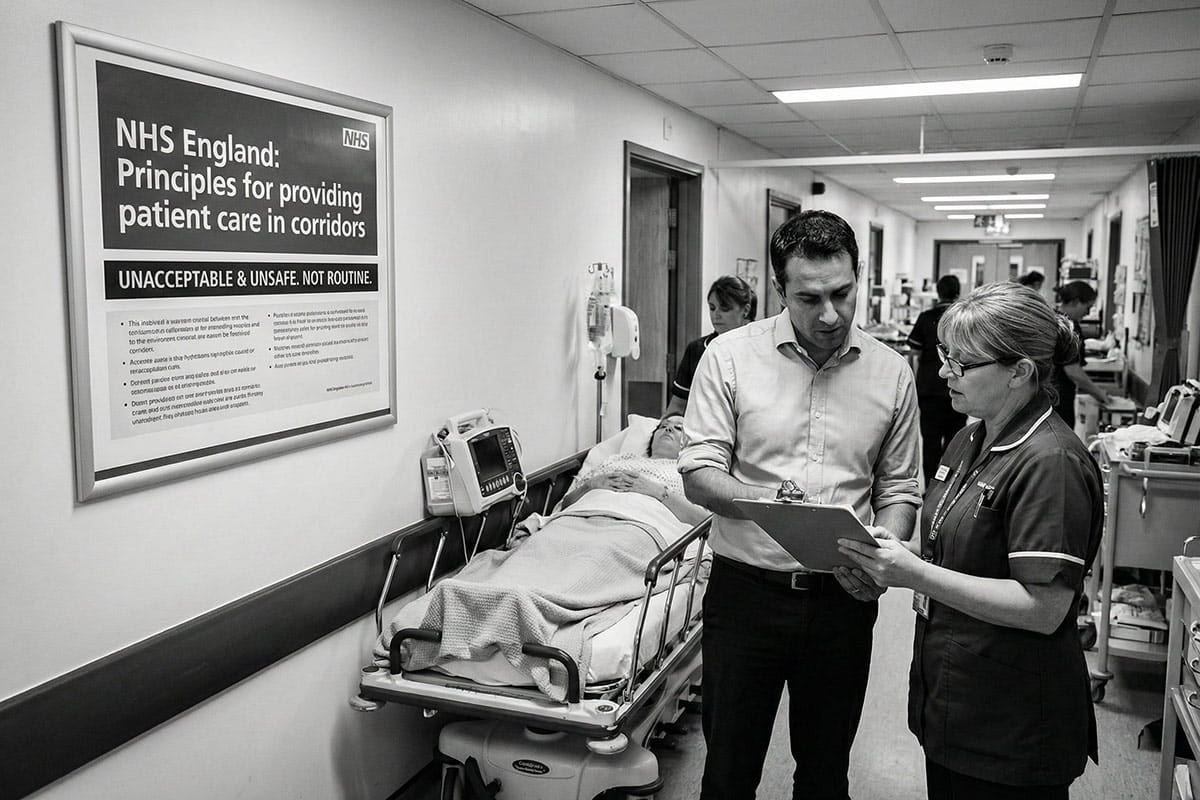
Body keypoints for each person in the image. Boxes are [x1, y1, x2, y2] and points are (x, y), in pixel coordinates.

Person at [678, 209, 921, 800]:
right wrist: (771, 502)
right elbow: (699, 476)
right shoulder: (729, 358)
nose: (830, 314)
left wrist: (882, 554)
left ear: (859, 277)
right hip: (745, 598)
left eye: (842, 293)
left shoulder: (892, 374)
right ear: (780, 290)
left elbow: (900, 487)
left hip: (842, 601)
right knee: (729, 771)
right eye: (809, 298)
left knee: (824, 771)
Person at [838, 281, 1103, 800]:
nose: (941, 374)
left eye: (961, 365)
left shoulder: (1051, 462)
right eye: (944, 357)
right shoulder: (971, 436)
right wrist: (882, 551)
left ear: (1019, 373)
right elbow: (956, 545)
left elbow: (1042, 606)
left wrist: (912, 574)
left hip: (1013, 722)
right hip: (957, 699)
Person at [559, 412, 707, 525]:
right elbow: (565, 504)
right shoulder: (616, 459)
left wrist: (660, 493)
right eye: (663, 426)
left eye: (678, 428)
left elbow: (706, 522)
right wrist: (590, 485)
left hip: (639, 525)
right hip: (581, 517)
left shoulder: (689, 474)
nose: (668, 428)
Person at [665, 275, 757, 416]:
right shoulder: (697, 349)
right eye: (712, 308)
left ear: (745, 310)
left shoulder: (760, 349)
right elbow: (677, 407)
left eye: (724, 309)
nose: (716, 315)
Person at [907, 274, 968, 482]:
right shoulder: (963, 320)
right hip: (959, 386)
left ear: (938, 292)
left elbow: (914, 354)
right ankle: (950, 485)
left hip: (929, 389)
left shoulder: (926, 317)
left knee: (930, 441)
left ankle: (932, 487)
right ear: (958, 292)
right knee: (956, 441)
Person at [1052, 280, 1109, 428]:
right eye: (1088, 307)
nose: (1088, 313)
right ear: (1076, 302)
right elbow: (1073, 371)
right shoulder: (1068, 326)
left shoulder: (1052, 317)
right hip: (1059, 396)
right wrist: (1099, 394)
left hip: (1047, 394)